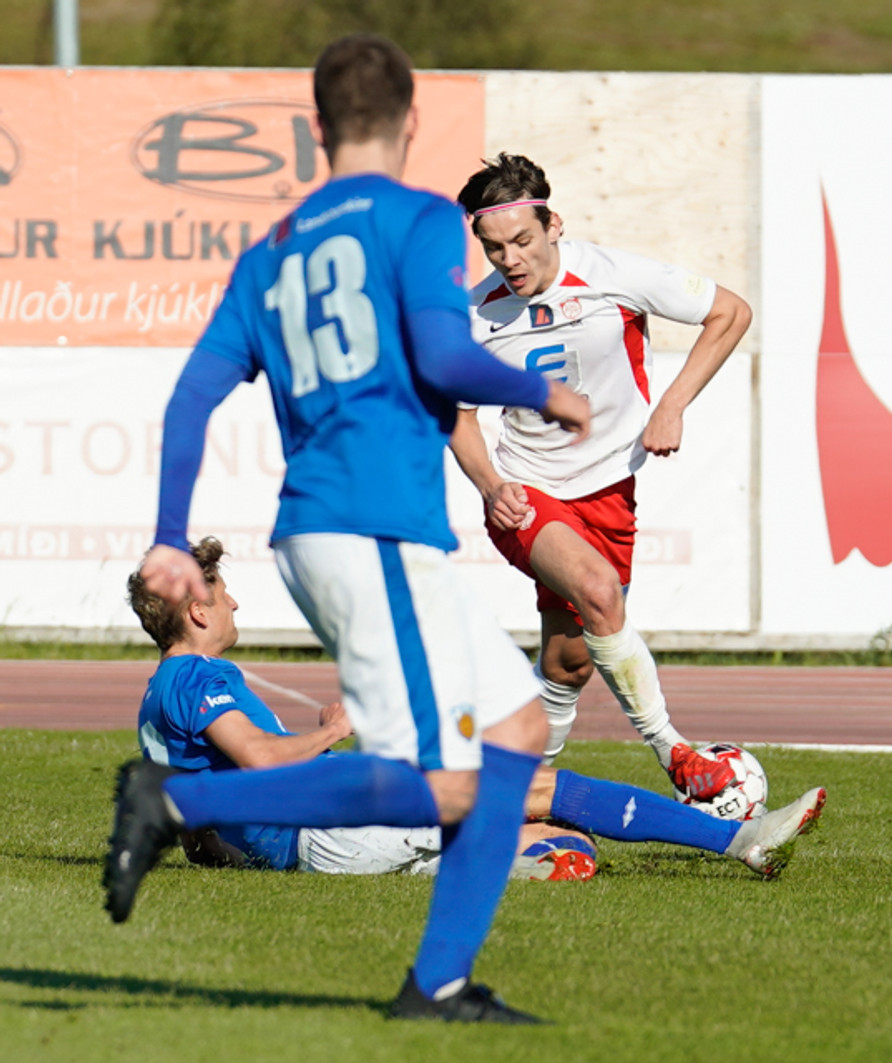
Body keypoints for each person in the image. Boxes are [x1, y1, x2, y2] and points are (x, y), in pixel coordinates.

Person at [104, 34, 593, 1026]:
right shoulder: (418, 218)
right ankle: (179, 800)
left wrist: (168, 532)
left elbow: (192, 397)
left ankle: (439, 984)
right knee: (443, 785)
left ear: (318, 129)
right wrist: (542, 390)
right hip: (368, 525)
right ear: (411, 121)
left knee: (516, 731)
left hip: (345, 529)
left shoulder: (270, 252)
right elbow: (443, 358)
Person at [127, 537, 826, 885]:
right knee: (535, 785)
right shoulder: (196, 675)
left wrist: (237, 855)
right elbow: (256, 758)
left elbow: (200, 817)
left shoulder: (160, 692)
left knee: (564, 842)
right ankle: (739, 838)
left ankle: (483, 858)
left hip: (323, 836)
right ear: (197, 610)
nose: (234, 602)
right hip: (330, 824)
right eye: (221, 592)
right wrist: (335, 731)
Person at [452, 154, 754, 794]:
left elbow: (730, 313)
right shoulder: (472, 318)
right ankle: (676, 754)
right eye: (494, 248)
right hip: (526, 491)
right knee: (598, 591)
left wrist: (672, 404)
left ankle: (514, 789)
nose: (510, 260)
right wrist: (490, 486)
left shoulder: (616, 276)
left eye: (522, 241)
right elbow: (457, 416)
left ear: (554, 225)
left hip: (611, 490)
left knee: (569, 664)